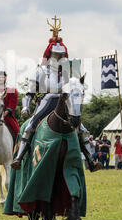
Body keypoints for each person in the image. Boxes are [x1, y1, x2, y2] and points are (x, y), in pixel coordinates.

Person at [11, 18, 96, 172]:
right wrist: (25, 107)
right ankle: (19, 158)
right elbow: (29, 93)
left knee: (81, 128)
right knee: (31, 125)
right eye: (56, 55)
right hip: (47, 100)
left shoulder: (68, 73)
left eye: (62, 56)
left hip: (64, 102)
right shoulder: (40, 71)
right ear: (49, 55)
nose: (59, 58)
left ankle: (90, 160)